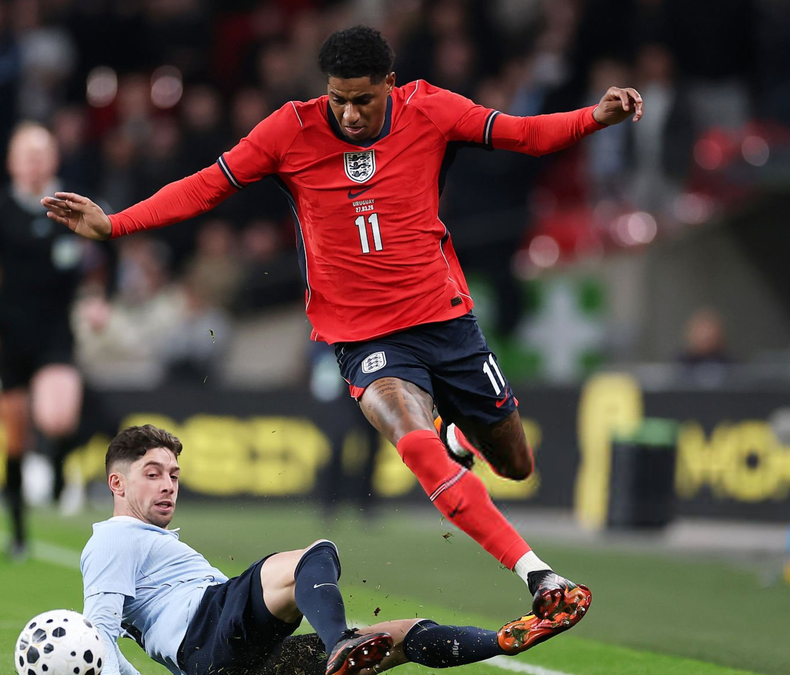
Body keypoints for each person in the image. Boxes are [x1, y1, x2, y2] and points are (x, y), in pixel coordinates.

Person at [47, 25, 641, 616]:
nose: (350, 114)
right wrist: (115, 224)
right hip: (365, 338)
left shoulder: (430, 109)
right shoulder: (289, 129)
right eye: (338, 99)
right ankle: (537, 574)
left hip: (446, 323)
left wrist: (596, 116)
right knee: (415, 444)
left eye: (363, 100)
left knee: (516, 463)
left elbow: (525, 134)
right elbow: (206, 187)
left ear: (389, 84)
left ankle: (461, 434)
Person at [81, 424, 589, 675]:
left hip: (234, 660)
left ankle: (503, 640)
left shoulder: (145, 541)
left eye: (173, 475)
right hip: (208, 628)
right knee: (311, 556)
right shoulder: (113, 538)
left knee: (401, 637)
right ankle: (339, 641)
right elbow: (98, 633)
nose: (168, 485)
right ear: (117, 484)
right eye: (153, 475)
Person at [0, 122, 103, 559]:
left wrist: (98, 297)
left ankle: (56, 465)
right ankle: (17, 535)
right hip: (10, 336)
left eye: (41, 154)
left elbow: (110, 244)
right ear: (12, 163)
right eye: (25, 155)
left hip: (55, 333)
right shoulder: (0, 210)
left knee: (58, 418)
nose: (34, 163)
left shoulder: (73, 203)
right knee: (15, 437)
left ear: (54, 159)